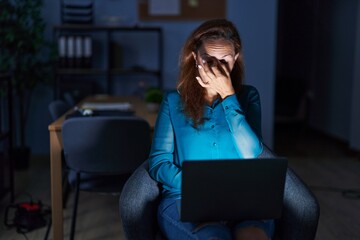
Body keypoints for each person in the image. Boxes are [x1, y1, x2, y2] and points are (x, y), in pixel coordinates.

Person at [148, 19, 274, 240]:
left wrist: (228, 97)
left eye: (225, 61)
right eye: (209, 60)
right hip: (185, 198)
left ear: (235, 60)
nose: (217, 69)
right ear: (196, 58)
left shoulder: (249, 96)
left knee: (254, 236)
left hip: (241, 200)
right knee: (214, 236)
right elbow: (159, 163)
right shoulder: (172, 101)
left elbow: (252, 153)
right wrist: (200, 187)